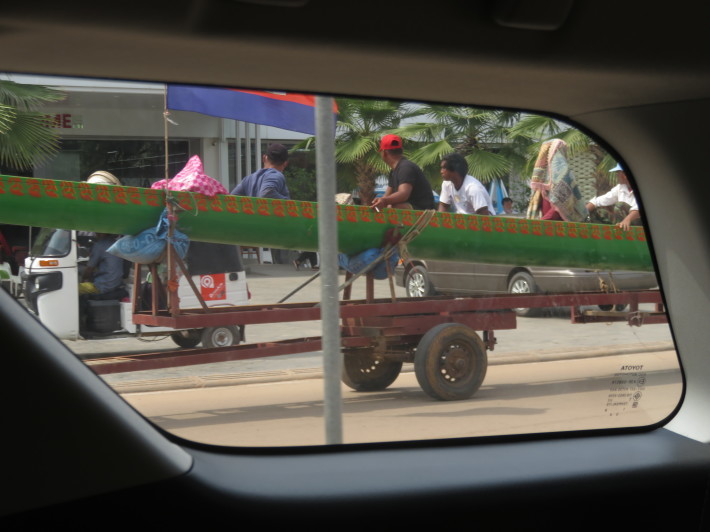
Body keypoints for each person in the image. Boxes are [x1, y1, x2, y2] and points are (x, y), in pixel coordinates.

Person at [526, 139, 587, 222]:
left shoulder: (564, 175)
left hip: (556, 225)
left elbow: (558, 206)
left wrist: (542, 222)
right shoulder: (544, 179)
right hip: (546, 224)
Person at [371, 134, 435, 210]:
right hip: (413, 209)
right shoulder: (394, 171)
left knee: (394, 207)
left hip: (424, 211)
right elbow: (386, 196)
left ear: (384, 153)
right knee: (387, 207)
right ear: (401, 150)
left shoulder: (405, 167)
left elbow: (403, 194)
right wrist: (380, 202)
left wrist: (384, 201)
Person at [586, 163, 641, 231]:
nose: (616, 175)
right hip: (622, 222)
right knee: (599, 212)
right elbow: (599, 201)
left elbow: (638, 208)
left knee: (620, 205)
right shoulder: (620, 188)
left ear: (624, 175)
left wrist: (627, 220)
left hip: (638, 224)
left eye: (617, 173)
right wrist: (584, 212)